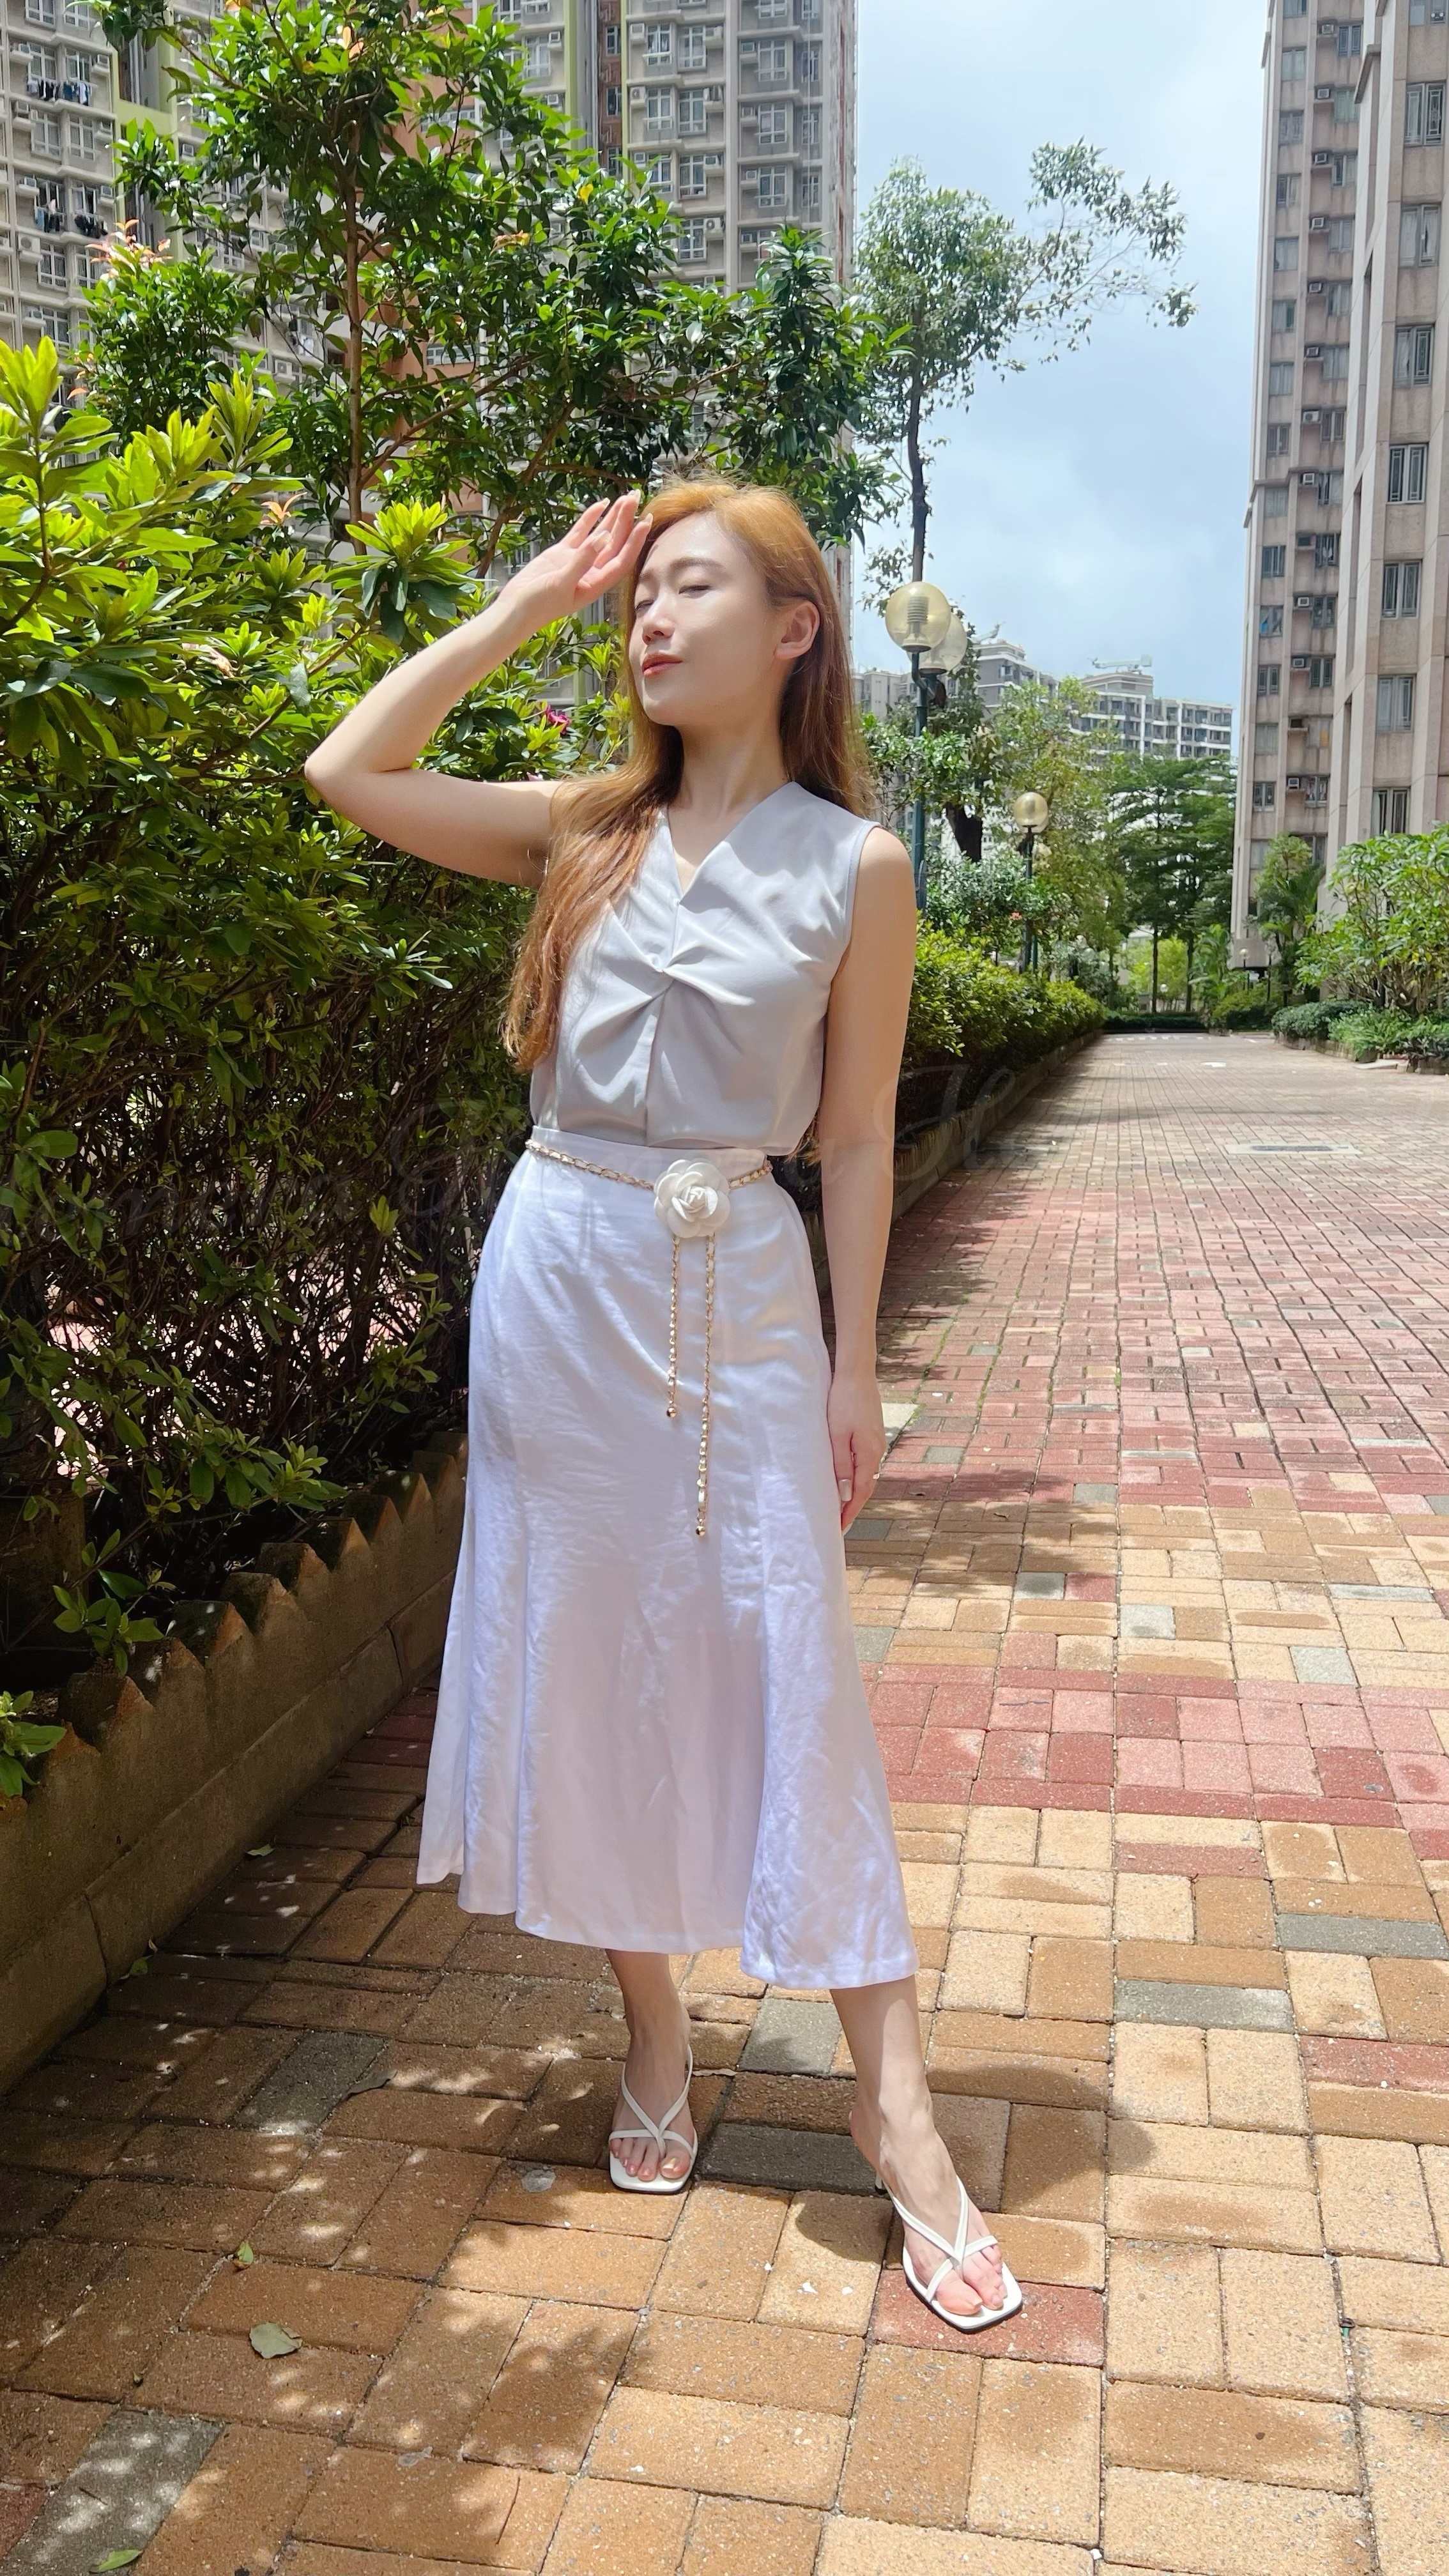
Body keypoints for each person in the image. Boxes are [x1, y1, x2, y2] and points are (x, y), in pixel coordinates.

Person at [304, 480, 1017, 2329]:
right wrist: (527, 604)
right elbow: (350, 770)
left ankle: (892, 2102)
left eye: (690, 586)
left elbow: (853, 1141)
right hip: (561, 1280)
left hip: (742, 1295)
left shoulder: (855, 868)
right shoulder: (581, 832)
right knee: (592, 1647)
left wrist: (856, 1366)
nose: (652, 616)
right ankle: (651, 2033)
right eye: (641, 595)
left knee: (787, 1657)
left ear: (794, 629)